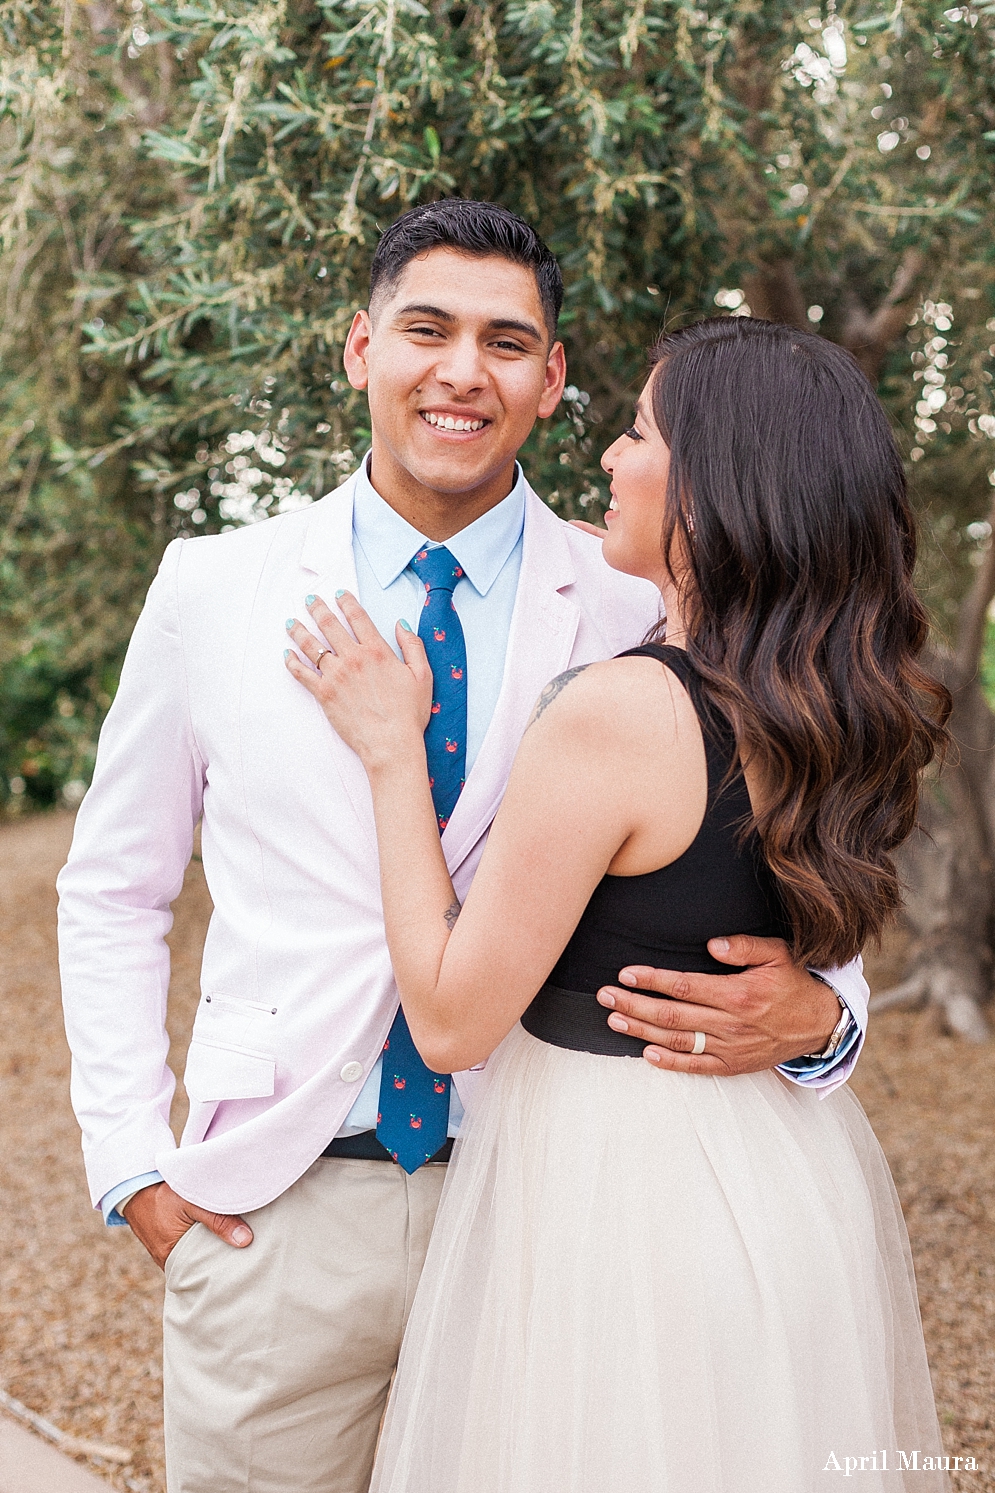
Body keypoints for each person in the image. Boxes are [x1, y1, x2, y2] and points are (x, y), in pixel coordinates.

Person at [58, 203, 867, 1493]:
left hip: (554, 1210)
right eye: (425, 330)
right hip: (279, 1212)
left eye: (506, 341)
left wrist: (827, 1014)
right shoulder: (212, 587)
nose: (460, 370)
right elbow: (114, 886)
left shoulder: (636, 591)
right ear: (359, 348)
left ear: (550, 380)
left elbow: (785, 851)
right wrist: (132, 1163)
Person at [287, 315, 951, 1492]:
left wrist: (394, 751)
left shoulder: (616, 713)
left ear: (709, 485)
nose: (605, 457)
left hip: (622, 1203)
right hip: (782, 1180)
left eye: (637, 431)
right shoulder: (831, 702)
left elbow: (448, 1019)